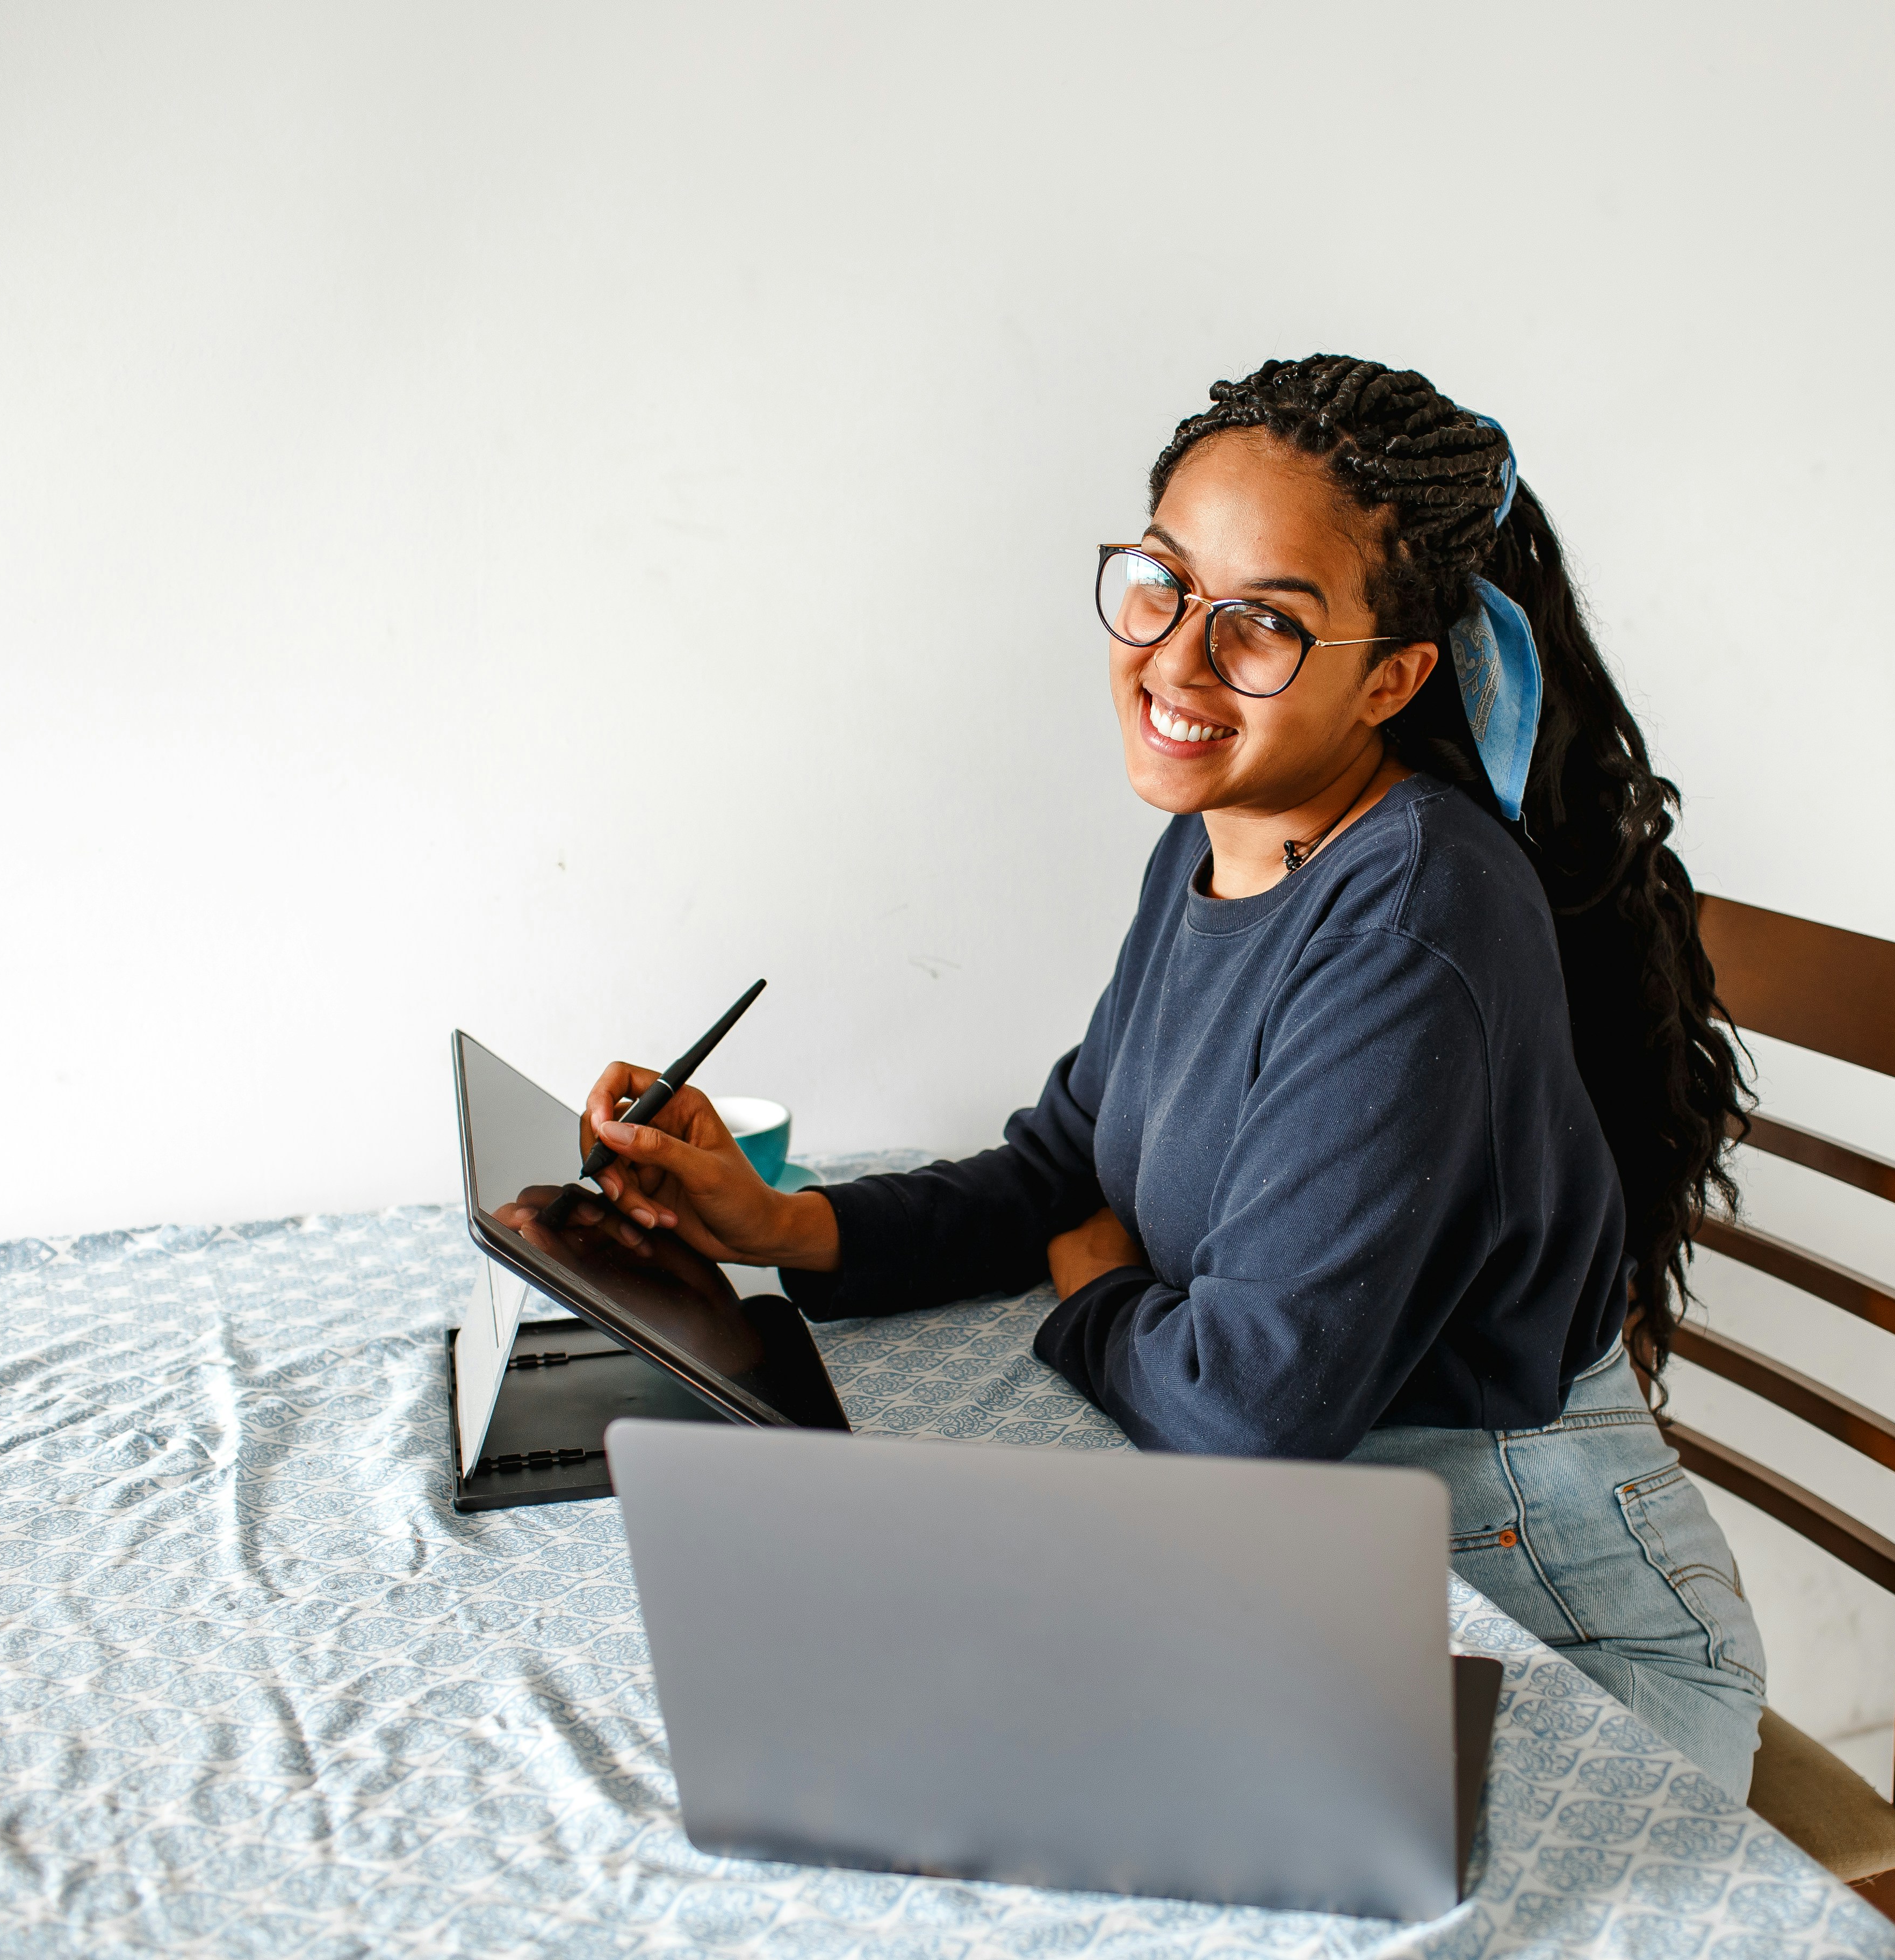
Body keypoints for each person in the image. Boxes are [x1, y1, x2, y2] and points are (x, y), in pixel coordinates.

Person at [568, 355, 1769, 1798]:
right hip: (1330, 1546)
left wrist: (1098, 1298)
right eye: (1163, 583)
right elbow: (1064, 1161)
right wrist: (786, 1228)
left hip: (1545, 1600)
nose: (1178, 661)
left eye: (1263, 623)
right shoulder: (1223, 839)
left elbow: (1244, 1418)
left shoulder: (1414, 919)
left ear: (1393, 676)